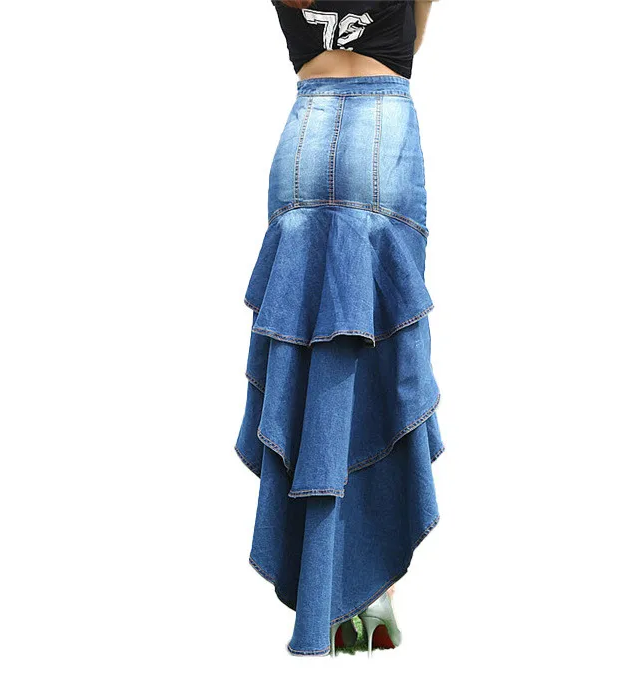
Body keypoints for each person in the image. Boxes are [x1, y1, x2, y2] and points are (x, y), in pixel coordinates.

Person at [234, 0, 443, 657]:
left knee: (306, 360)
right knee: (380, 356)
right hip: (382, 130)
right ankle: (372, 598)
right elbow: (410, 41)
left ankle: (321, 592)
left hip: (305, 134)